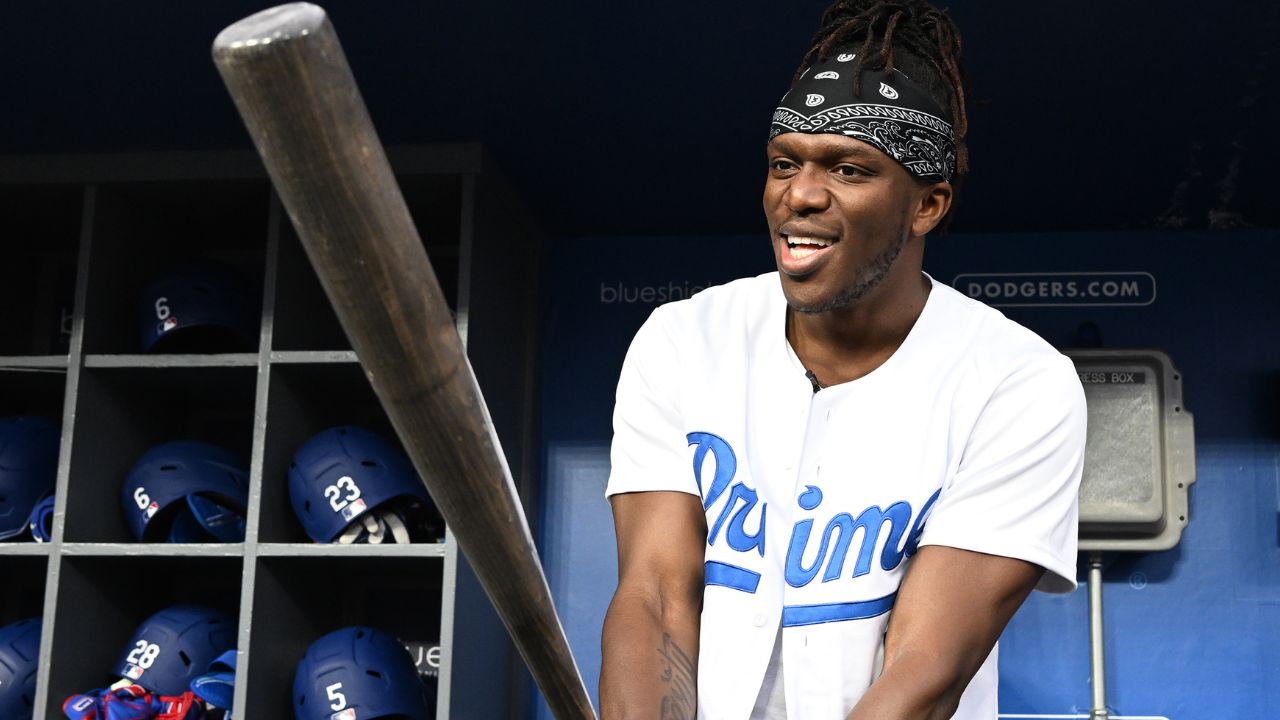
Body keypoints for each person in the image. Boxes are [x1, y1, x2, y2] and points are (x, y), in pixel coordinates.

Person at [599, 1, 1087, 718]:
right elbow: (656, 595)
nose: (800, 194)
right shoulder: (683, 339)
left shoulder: (1018, 382)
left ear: (927, 205)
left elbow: (925, 669)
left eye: (848, 169)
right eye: (784, 163)